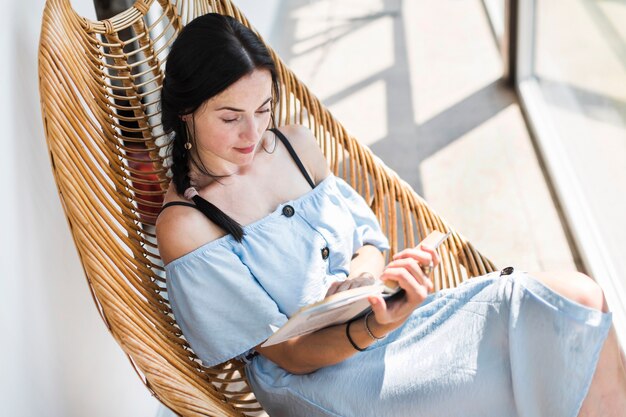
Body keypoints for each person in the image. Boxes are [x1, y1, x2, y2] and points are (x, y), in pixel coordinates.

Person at [156, 13, 626, 417]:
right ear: (184, 113)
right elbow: (290, 355)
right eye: (230, 117)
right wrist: (374, 324)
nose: (254, 133)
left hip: (385, 322)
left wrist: (363, 281)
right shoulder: (187, 224)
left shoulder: (294, 144)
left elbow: (370, 242)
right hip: (330, 381)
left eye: (263, 108)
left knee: (574, 300)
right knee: (546, 345)